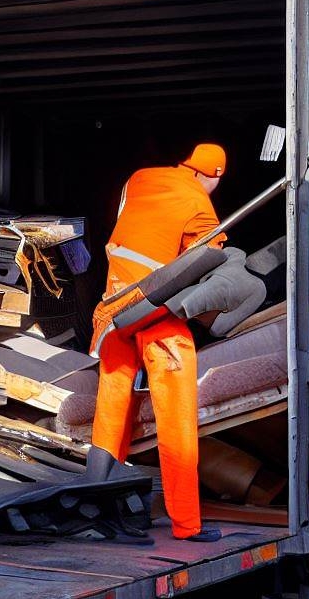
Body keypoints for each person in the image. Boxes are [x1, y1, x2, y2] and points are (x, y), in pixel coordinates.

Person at [90, 143, 228, 543]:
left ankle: (96, 506)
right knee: (176, 417)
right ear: (212, 175)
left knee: (111, 411)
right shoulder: (200, 203)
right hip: (156, 316)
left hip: (113, 310)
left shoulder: (140, 177)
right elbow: (204, 266)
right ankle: (187, 524)